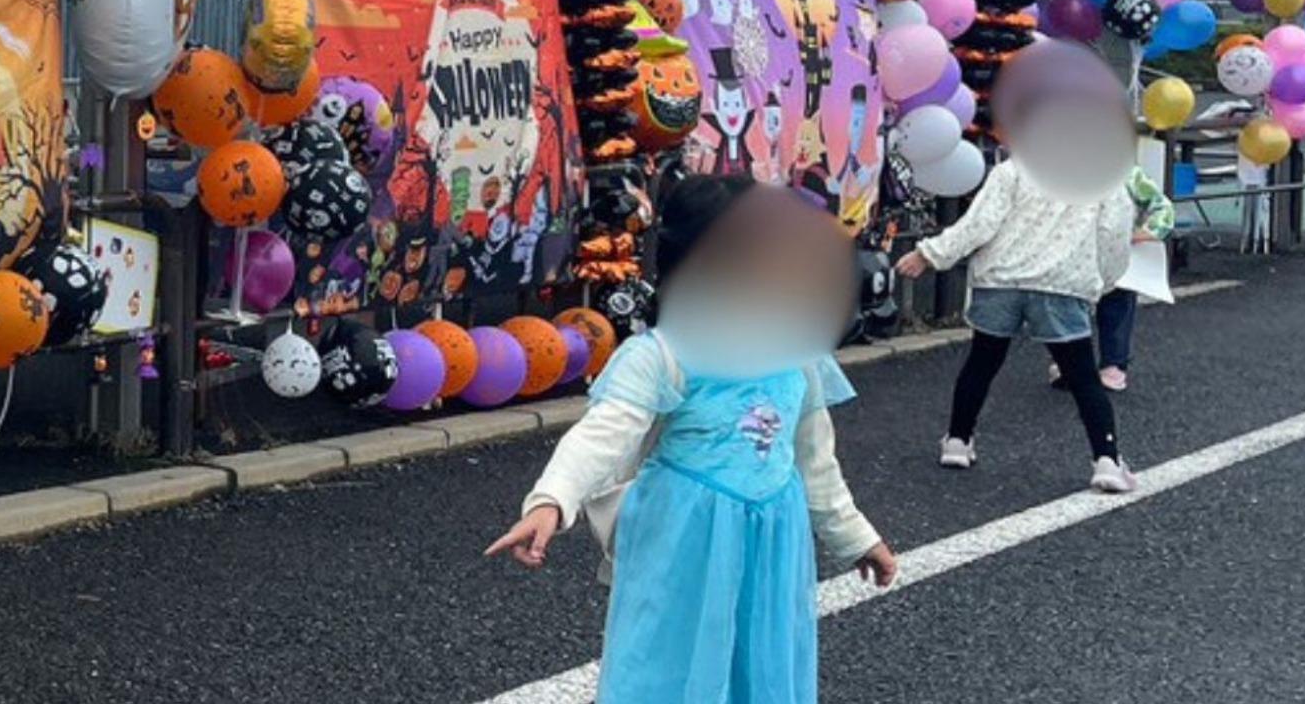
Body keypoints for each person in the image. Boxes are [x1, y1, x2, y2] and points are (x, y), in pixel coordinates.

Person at [486, 175, 896, 704]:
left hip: (775, 538)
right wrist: (551, 501)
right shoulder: (663, 354)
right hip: (683, 539)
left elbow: (815, 460)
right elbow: (604, 433)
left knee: (762, 659)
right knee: (667, 661)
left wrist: (855, 537)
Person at [896, 156, 1137, 493]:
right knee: (1082, 375)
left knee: (982, 362)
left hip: (1000, 278)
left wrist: (930, 254)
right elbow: (1114, 232)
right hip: (1062, 281)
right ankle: (1107, 460)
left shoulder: (1014, 169)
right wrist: (1103, 279)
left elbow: (979, 222)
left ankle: (958, 440)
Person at [1091, 164, 1175, 392]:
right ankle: (1071, 363)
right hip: (1083, 255)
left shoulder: (1128, 173)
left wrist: (1147, 233)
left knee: (1114, 308)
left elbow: (1162, 207)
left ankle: (1112, 364)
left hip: (1118, 257)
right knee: (1070, 310)